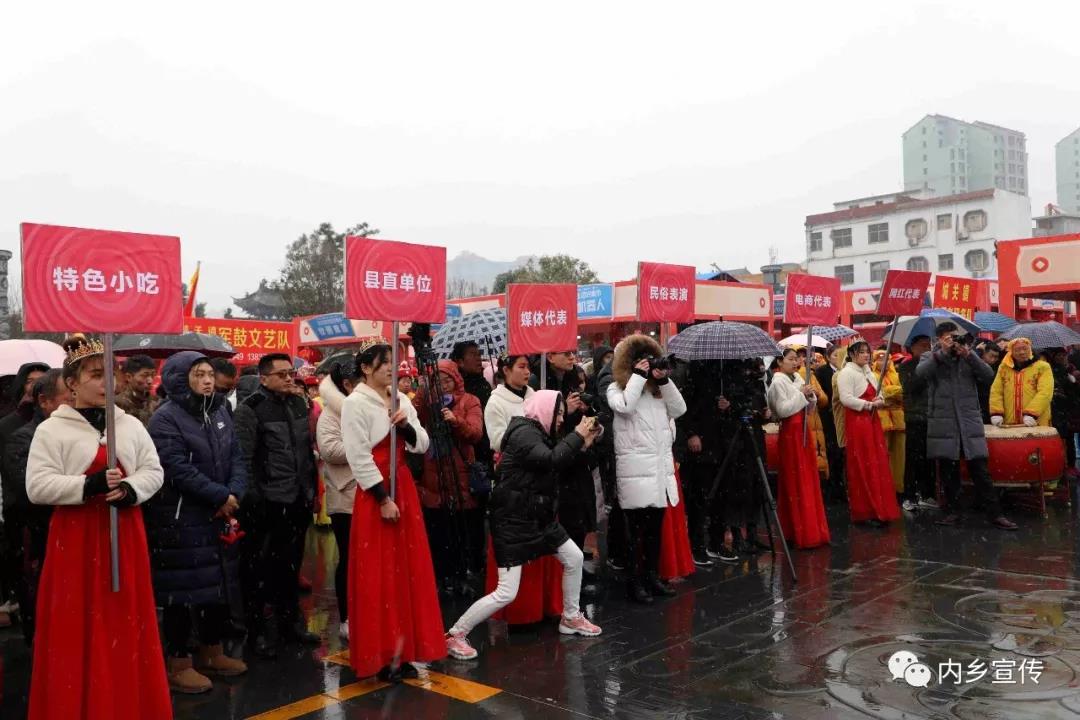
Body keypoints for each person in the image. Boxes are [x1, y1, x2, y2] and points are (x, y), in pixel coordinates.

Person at [26, 336, 171, 719]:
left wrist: (131, 489)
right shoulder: (51, 430)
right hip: (74, 538)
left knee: (124, 620)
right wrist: (85, 486)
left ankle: (125, 703)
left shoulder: (131, 425)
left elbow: (154, 471)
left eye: (110, 373)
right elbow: (37, 487)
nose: (105, 381)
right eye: (94, 374)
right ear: (71, 383)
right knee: (75, 626)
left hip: (124, 534)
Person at [445, 390, 602, 660]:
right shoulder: (525, 434)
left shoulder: (535, 432)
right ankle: (455, 634)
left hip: (535, 517)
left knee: (574, 557)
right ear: (546, 411)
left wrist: (583, 441)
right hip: (514, 521)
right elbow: (551, 460)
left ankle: (571, 616)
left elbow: (554, 463)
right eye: (560, 412)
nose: (562, 418)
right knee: (506, 591)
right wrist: (578, 435)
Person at [341, 339, 445, 682]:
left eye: (393, 361)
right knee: (379, 574)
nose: (391, 367)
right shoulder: (355, 403)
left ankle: (405, 649)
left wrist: (406, 427)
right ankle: (382, 654)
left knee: (407, 571)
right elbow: (358, 456)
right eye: (384, 362)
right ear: (366, 368)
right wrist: (383, 499)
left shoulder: (399, 400)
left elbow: (424, 443)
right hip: (377, 493)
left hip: (404, 485)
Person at [145, 352, 248, 693]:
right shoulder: (165, 419)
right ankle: (178, 662)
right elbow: (175, 467)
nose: (207, 380)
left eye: (209, 374)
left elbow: (236, 455)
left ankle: (212, 651)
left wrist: (233, 493)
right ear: (178, 378)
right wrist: (218, 496)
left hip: (218, 514)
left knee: (215, 586)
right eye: (198, 374)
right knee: (181, 592)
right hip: (180, 518)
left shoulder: (219, 410)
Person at [234, 353, 320, 658]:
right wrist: (253, 499)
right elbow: (244, 459)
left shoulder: (299, 404)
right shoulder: (250, 410)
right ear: (264, 378)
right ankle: (256, 632)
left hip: (297, 497)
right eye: (281, 374)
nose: (288, 378)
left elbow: (306, 453)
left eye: (290, 373)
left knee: (291, 566)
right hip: (266, 501)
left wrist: (310, 490)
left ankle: (290, 625)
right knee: (258, 570)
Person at [607, 334, 687, 604]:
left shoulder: (658, 392)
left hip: (658, 471)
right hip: (634, 473)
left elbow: (679, 408)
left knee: (654, 532)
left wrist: (663, 379)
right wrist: (638, 377)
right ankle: (634, 581)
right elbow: (625, 406)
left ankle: (651, 576)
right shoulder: (615, 389)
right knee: (634, 535)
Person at [917, 323, 1017, 530]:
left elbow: (988, 375)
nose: (953, 341)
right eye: (948, 338)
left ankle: (995, 514)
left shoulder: (968, 358)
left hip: (969, 423)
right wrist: (943, 353)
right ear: (938, 340)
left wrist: (969, 355)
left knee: (980, 470)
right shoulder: (931, 357)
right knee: (949, 473)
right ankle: (953, 512)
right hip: (944, 424)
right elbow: (921, 373)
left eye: (955, 337)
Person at [2, 369, 71, 644]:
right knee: (40, 596)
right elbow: (29, 491)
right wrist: (83, 487)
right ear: (45, 401)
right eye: (69, 398)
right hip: (38, 532)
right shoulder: (22, 438)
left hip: (72, 534)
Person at [413, 360, 484, 594]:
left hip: (461, 476)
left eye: (447, 379)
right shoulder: (427, 401)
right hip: (433, 477)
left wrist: (456, 422)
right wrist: (424, 391)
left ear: (456, 379)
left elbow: (475, 433)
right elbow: (414, 419)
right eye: (438, 380)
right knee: (438, 532)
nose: (443, 385)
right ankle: (442, 579)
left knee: (462, 532)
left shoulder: (469, 401)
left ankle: (463, 577)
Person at [0, 360, 49, 627]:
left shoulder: (57, 420)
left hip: (49, 511)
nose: (36, 384)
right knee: (26, 574)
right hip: (18, 509)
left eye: (42, 378)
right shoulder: (9, 424)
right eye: (31, 380)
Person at [767, 349, 830, 549]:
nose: (796, 363)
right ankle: (797, 530)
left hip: (803, 431)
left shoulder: (796, 378)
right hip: (791, 434)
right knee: (795, 481)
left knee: (808, 480)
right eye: (791, 359)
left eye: (797, 359)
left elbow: (808, 408)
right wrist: (802, 396)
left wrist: (810, 397)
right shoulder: (777, 382)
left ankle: (812, 529)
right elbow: (783, 410)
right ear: (780, 361)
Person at [316, 359, 359, 641]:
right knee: (349, 557)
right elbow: (330, 449)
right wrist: (365, 445)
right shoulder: (330, 413)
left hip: (371, 491)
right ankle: (346, 617)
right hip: (345, 494)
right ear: (346, 384)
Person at [837, 342, 901, 527]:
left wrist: (879, 401)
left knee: (877, 463)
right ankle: (865, 511)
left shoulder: (870, 373)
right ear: (851, 354)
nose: (866, 355)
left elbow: (879, 395)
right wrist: (867, 405)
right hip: (858, 423)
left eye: (867, 352)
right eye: (861, 352)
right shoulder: (846, 373)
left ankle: (880, 508)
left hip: (872, 421)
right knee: (863, 464)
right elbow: (846, 398)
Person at [897, 335, 935, 511]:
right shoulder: (906, 366)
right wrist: (924, 366)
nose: (927, 348)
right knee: (912, 459)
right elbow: (910, 386)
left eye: (929, 345)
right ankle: (909, 496)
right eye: (922, 345)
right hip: (914, 417)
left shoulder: (936, 364)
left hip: (933, 416)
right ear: (912, 348)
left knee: (930, 458)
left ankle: (928, 494)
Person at [989, 338, 1053, 428]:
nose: (1022, 352)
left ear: (1030, 349)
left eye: (1025, 348)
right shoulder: (1004, 367)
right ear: (1011, 352)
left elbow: (1045, 392)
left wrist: (1032, 413)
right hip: (1009, 422)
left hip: (1036, 421)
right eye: (1017, 350)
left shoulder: (1042, 367)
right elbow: (996, 391)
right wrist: (996, 412)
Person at [872, 350, 906, 500]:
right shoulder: (872, 377)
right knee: (883, 455)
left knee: (899, 455)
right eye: (880, 360)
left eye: (887, 359)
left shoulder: (896, 376)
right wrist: (894, 392)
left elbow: (902, 393)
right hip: (882, 420)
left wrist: (890, 393)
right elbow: (880, 393)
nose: (883, 362)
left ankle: (899, 486)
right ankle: (884, 488)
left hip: (898, 420)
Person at [815, 345, 847, 503]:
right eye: (835, 355)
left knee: (842, 454)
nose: (839, 358)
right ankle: (831, 490)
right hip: (828, 418)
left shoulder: (846, 372)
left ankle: (841, 488)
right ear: (828, 357)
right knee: (831, 452)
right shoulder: (821, 372)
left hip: (843, 417)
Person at [486, 354, 536, 454]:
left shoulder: (534, 396)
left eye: (528, 367)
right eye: (521, 367)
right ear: (506, 370)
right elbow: (498, 443)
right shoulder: (495, 403)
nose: (527, 372)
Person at [1046, 348, 1080, 472]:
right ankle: (1058, 466)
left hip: (1070, 411)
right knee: (1057, 440)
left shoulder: (1072, 369)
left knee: (1070, 438)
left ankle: (1071, 466)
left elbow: (1075, 393)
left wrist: (1074, 381)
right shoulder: (1050, 370)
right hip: (1055, 410)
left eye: (1063, 355)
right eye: (1058, 355)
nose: (1061, 357)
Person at [115, 354, 159, 427]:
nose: (150, 381)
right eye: (144, 375)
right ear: (129, 377)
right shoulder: (117, 404)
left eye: (152, 375)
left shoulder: (156, 402)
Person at [976, 342, 1003, 423]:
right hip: (978, 406)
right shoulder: (974, 366)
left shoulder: (997, 368)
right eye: (991, 356)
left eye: (996, 357)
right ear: (984, 354)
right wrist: (977, 352)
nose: (993, 359)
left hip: (992, 406)